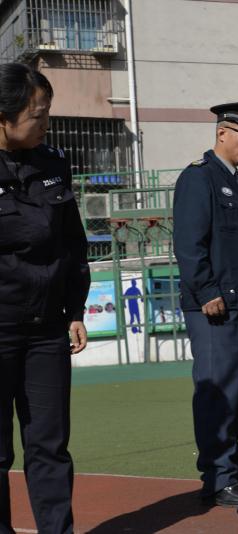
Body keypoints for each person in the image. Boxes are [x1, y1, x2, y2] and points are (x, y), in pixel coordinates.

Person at [0, 63, 90, 534]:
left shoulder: (53, 162)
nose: (46, 122)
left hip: (47, 330)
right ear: (3, 116)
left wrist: (75, 311)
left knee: (49, 444)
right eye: (38, 114)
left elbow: (73, 244)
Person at [173, 101, 238, 507]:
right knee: (218, 390)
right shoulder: (200, 179)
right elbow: (189, 244)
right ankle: (217, 477)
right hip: (213, 306)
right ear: (223, 133)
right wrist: (207, 291)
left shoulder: (230, 181)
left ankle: (234, 469)